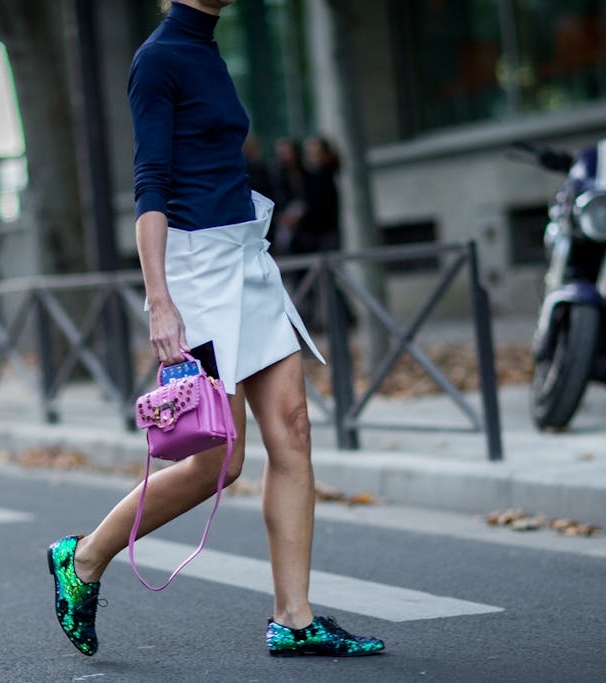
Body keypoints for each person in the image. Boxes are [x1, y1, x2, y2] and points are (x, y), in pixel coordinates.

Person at [46, 0, 386, 659]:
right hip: (197, 274)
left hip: (246, 259)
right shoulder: (157, 60)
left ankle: (293, 618)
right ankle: (83, 556)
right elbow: (150, 184)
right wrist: (159, 300)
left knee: (293, 431)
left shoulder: (208, 49)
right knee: (219, 462)